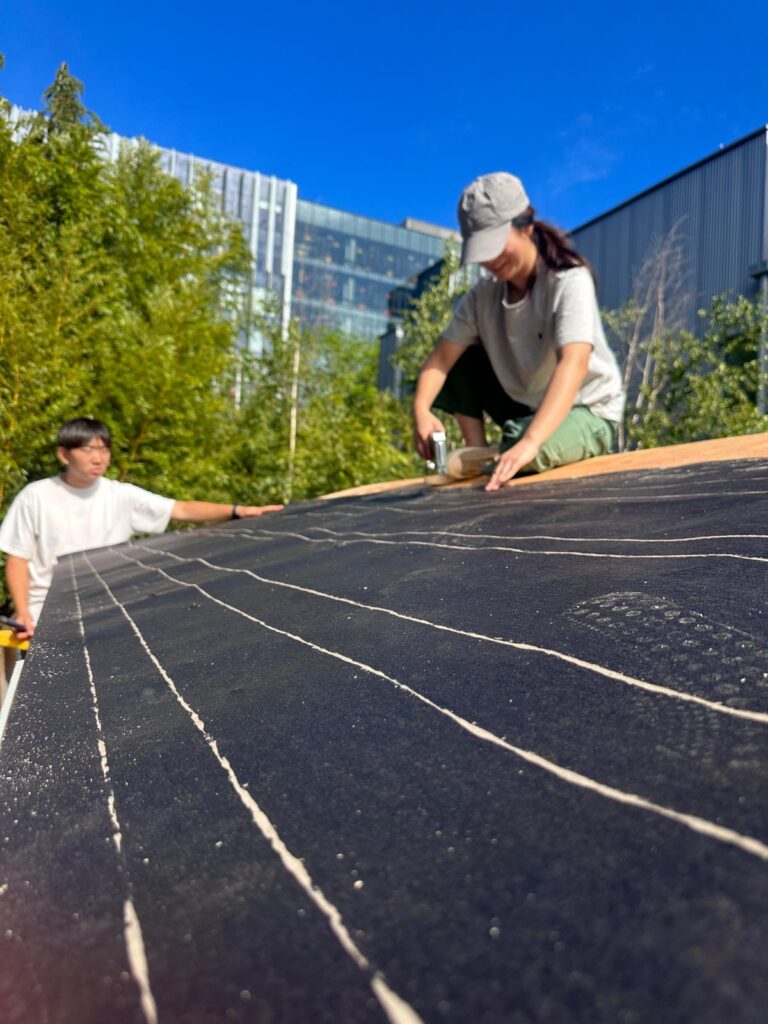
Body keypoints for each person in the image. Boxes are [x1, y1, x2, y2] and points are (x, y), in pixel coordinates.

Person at [413, 172, 625, 491]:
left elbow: (574, 363)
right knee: (462, 358)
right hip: (527, 406)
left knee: (521, 446)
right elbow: (441, 359)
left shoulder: (568, 281)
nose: (490, 260)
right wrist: (421, 410)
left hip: (589, 410)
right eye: (481, 251)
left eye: (495, 245)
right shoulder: (481, 298)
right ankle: (480, 451)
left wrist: (531, 441)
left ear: (526, 226)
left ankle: (498, 454)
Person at [0, 418, 284, 641]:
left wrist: (238, 510)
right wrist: (24, 612)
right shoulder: (36, 496)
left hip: (108, 610)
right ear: (64, 454)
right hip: (45, 612)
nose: (98, 458)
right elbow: (17, 559)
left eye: (104, 449)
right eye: (87, 450)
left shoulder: (121, 495)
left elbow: (180, 509)